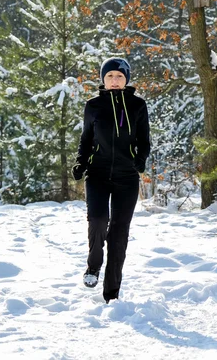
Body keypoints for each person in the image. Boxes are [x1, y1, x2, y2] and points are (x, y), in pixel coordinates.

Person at [72, 57, 150, 304]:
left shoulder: (138, 105)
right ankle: (93, 265)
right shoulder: (93, 106)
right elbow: (86, 139)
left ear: (126, 78)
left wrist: (140, 159)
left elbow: (144, 140)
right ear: (103, 80)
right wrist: (80, 162)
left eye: (119, 76)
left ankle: (111, 294)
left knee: (119, 234)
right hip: (97, 174)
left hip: (127, 177)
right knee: (97, 220)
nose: (114, 81)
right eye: (109, 77)